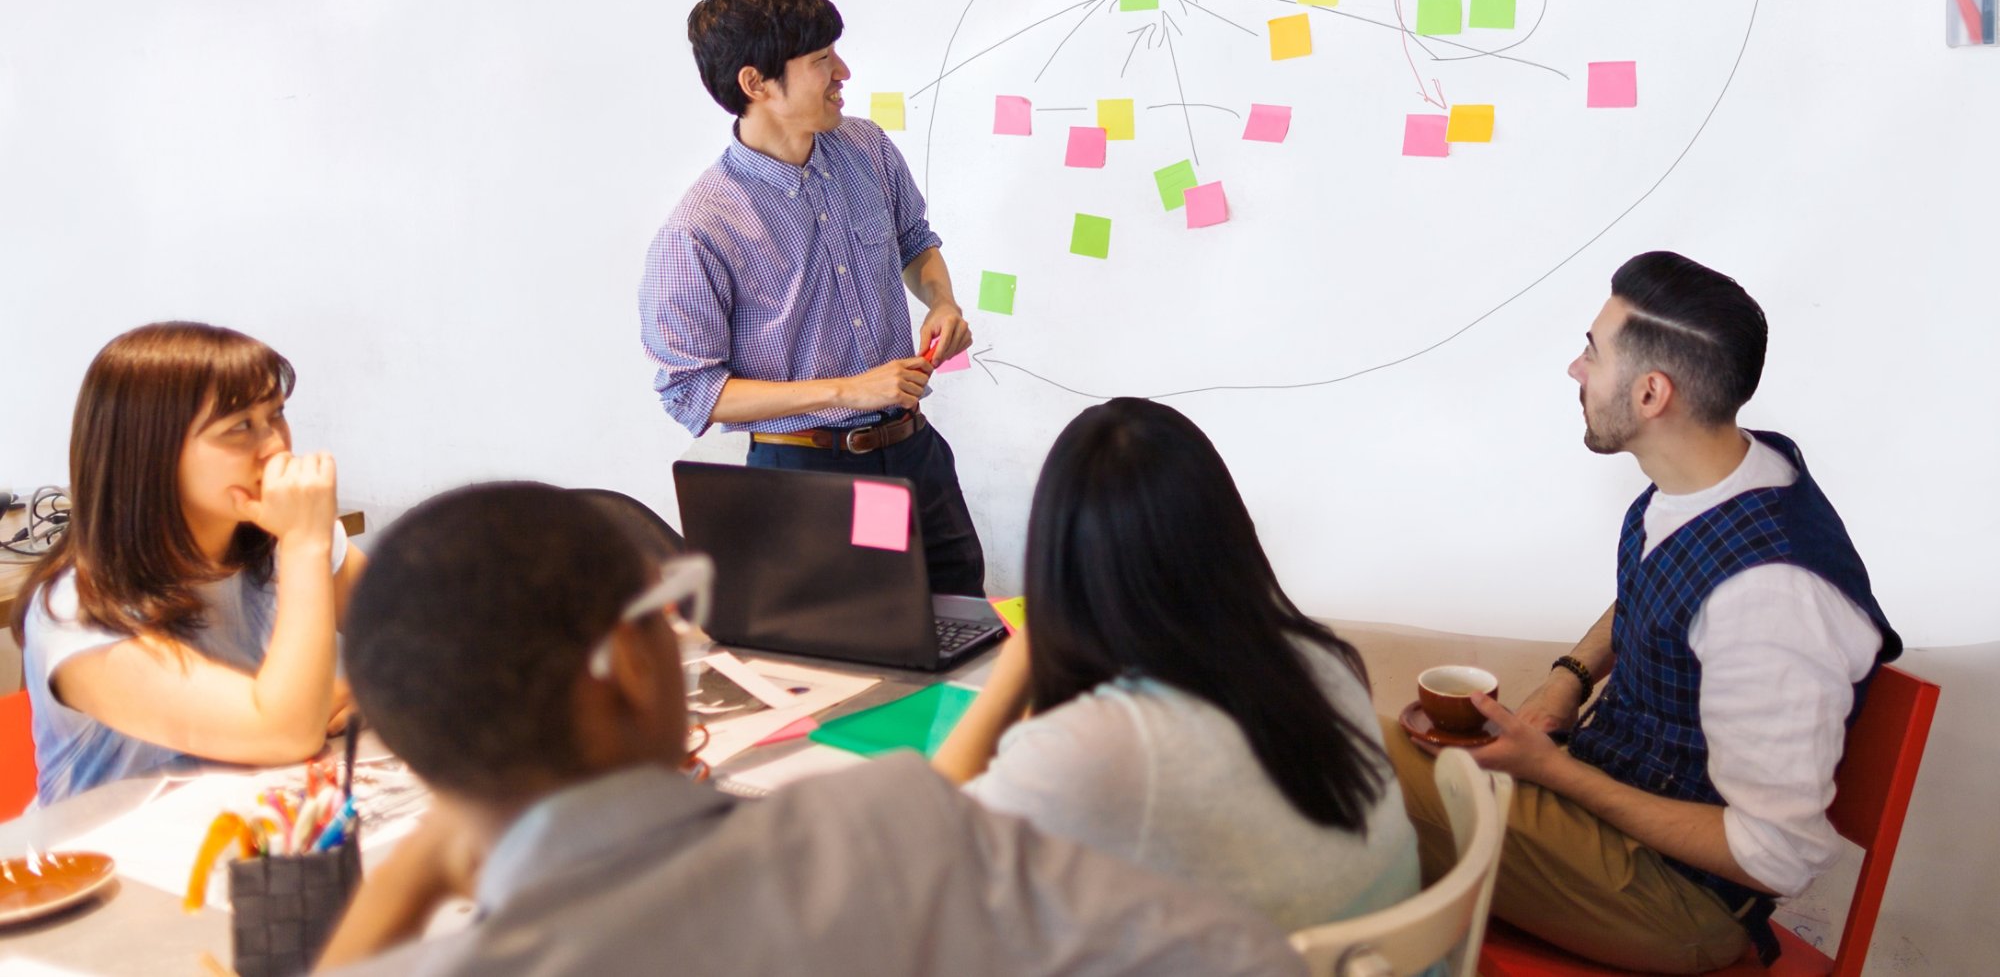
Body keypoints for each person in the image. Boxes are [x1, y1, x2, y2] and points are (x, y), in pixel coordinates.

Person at [316, 483, 1306, 976]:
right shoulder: (893, 830)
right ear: (621, 666)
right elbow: (1245, 958)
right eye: (667, 611)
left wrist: (412, 873)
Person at [1383, 252, 1901, 973]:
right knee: (1359, 764)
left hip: (1678, 905)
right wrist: (1568, 678)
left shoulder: (1770, 597)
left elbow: (1776, 854)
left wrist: (1554, 773)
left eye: (1593, 351)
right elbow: (1661, 584)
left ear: (1652, 392)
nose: (1575, 369)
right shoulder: (1722, 475)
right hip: (1609, 816)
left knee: (1349, 751)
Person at [930, 398, 1421, 933]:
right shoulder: (1319, 658)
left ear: (1061, 561)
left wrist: (1018, 664)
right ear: (1227, 532)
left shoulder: (1104, 745)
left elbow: (931, 848)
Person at [639, 0, 984, 596]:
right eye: (822, 59)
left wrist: (942, 300)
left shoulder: (866, 148)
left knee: (964, 624)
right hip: (808, 475)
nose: (843, 71)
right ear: (756, 83)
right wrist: (847, 391)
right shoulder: (698, 229)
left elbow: (916, 240)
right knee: (863, 656)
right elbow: (693, 391)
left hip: (914, 455)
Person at [14, 321, 362, 806]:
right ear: (151, 453)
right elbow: (283, 732)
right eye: (239, 427)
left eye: (276, 414)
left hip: (255, 820)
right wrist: (304, 544)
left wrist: (371, 688)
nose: (277, 447)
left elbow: (430, 634)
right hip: (115, 864)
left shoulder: (274, 538)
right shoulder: (79, 609)